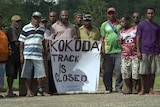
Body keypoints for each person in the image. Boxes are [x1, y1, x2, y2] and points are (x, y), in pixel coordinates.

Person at [19, 12, 46, 97]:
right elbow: (21, 42)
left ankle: (40, 90)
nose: (36, 19)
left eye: (38, 18)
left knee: (40, 74)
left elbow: (43, 40)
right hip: (28, 54)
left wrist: (44, 49)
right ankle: (28, 91)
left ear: (40, 19)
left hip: (38, 54)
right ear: (32, 18)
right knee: (27, 74)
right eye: (35, 18)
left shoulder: (42, 28)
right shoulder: (26, 28)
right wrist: (21, 55)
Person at [136, 7, 160, 95]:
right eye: (149, 13)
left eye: (152, 13)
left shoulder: (157, 26)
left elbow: (159, 39)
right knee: (143, 71)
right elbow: (138, 38)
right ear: (146, 14)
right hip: (144, 50)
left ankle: (151, 89)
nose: (150, 15)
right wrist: (138, 50)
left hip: (154, 50)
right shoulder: (141, 24)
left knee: (153, 71)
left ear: (154, 14)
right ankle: (142, 89)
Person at [100, 7, 122, 93]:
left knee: (119, 70)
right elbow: (102, 38)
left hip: (119, 50)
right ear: (107, 14)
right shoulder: (104, 25)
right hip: (108, 50)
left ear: (115, 14)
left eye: (113, 13)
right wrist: (102, 50)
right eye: (110, 13)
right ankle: (108, 88)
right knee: (107, 71)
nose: (111, 15)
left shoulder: (120, 23)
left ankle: (118, 87)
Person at [119, 16, 139, 94]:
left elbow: (139, 39)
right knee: (125, 72)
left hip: (134, 55)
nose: (122, 23)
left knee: (135, 72)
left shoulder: (135, 29)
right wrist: (124, 48)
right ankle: (128, 88)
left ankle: (134, 88)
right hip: (125, 56)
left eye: (123, 21)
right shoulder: (121, 32)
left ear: (128, 21)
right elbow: (120, 43)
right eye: (121, 22)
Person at [5, 15, 22, 97]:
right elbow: (16, 43)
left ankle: (10, 90)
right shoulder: (12, 29)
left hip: (17, 54)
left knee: (14, 73)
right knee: (10, 74)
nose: (18, 23)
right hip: (11, 55)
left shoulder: (18, 30)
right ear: (13, 22)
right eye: (17, 21)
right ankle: (9, 90)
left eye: (19, 21)